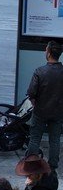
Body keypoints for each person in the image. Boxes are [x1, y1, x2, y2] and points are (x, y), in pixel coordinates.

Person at [25, 40, 63, 170]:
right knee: (55, 140)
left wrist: (35, 103)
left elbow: (31, 92)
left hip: (40, 111)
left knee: (35, 138)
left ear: (49, 53)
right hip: (58, 113)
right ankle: (52, 166)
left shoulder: (40, 71)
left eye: (46, 49)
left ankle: (32, 166)